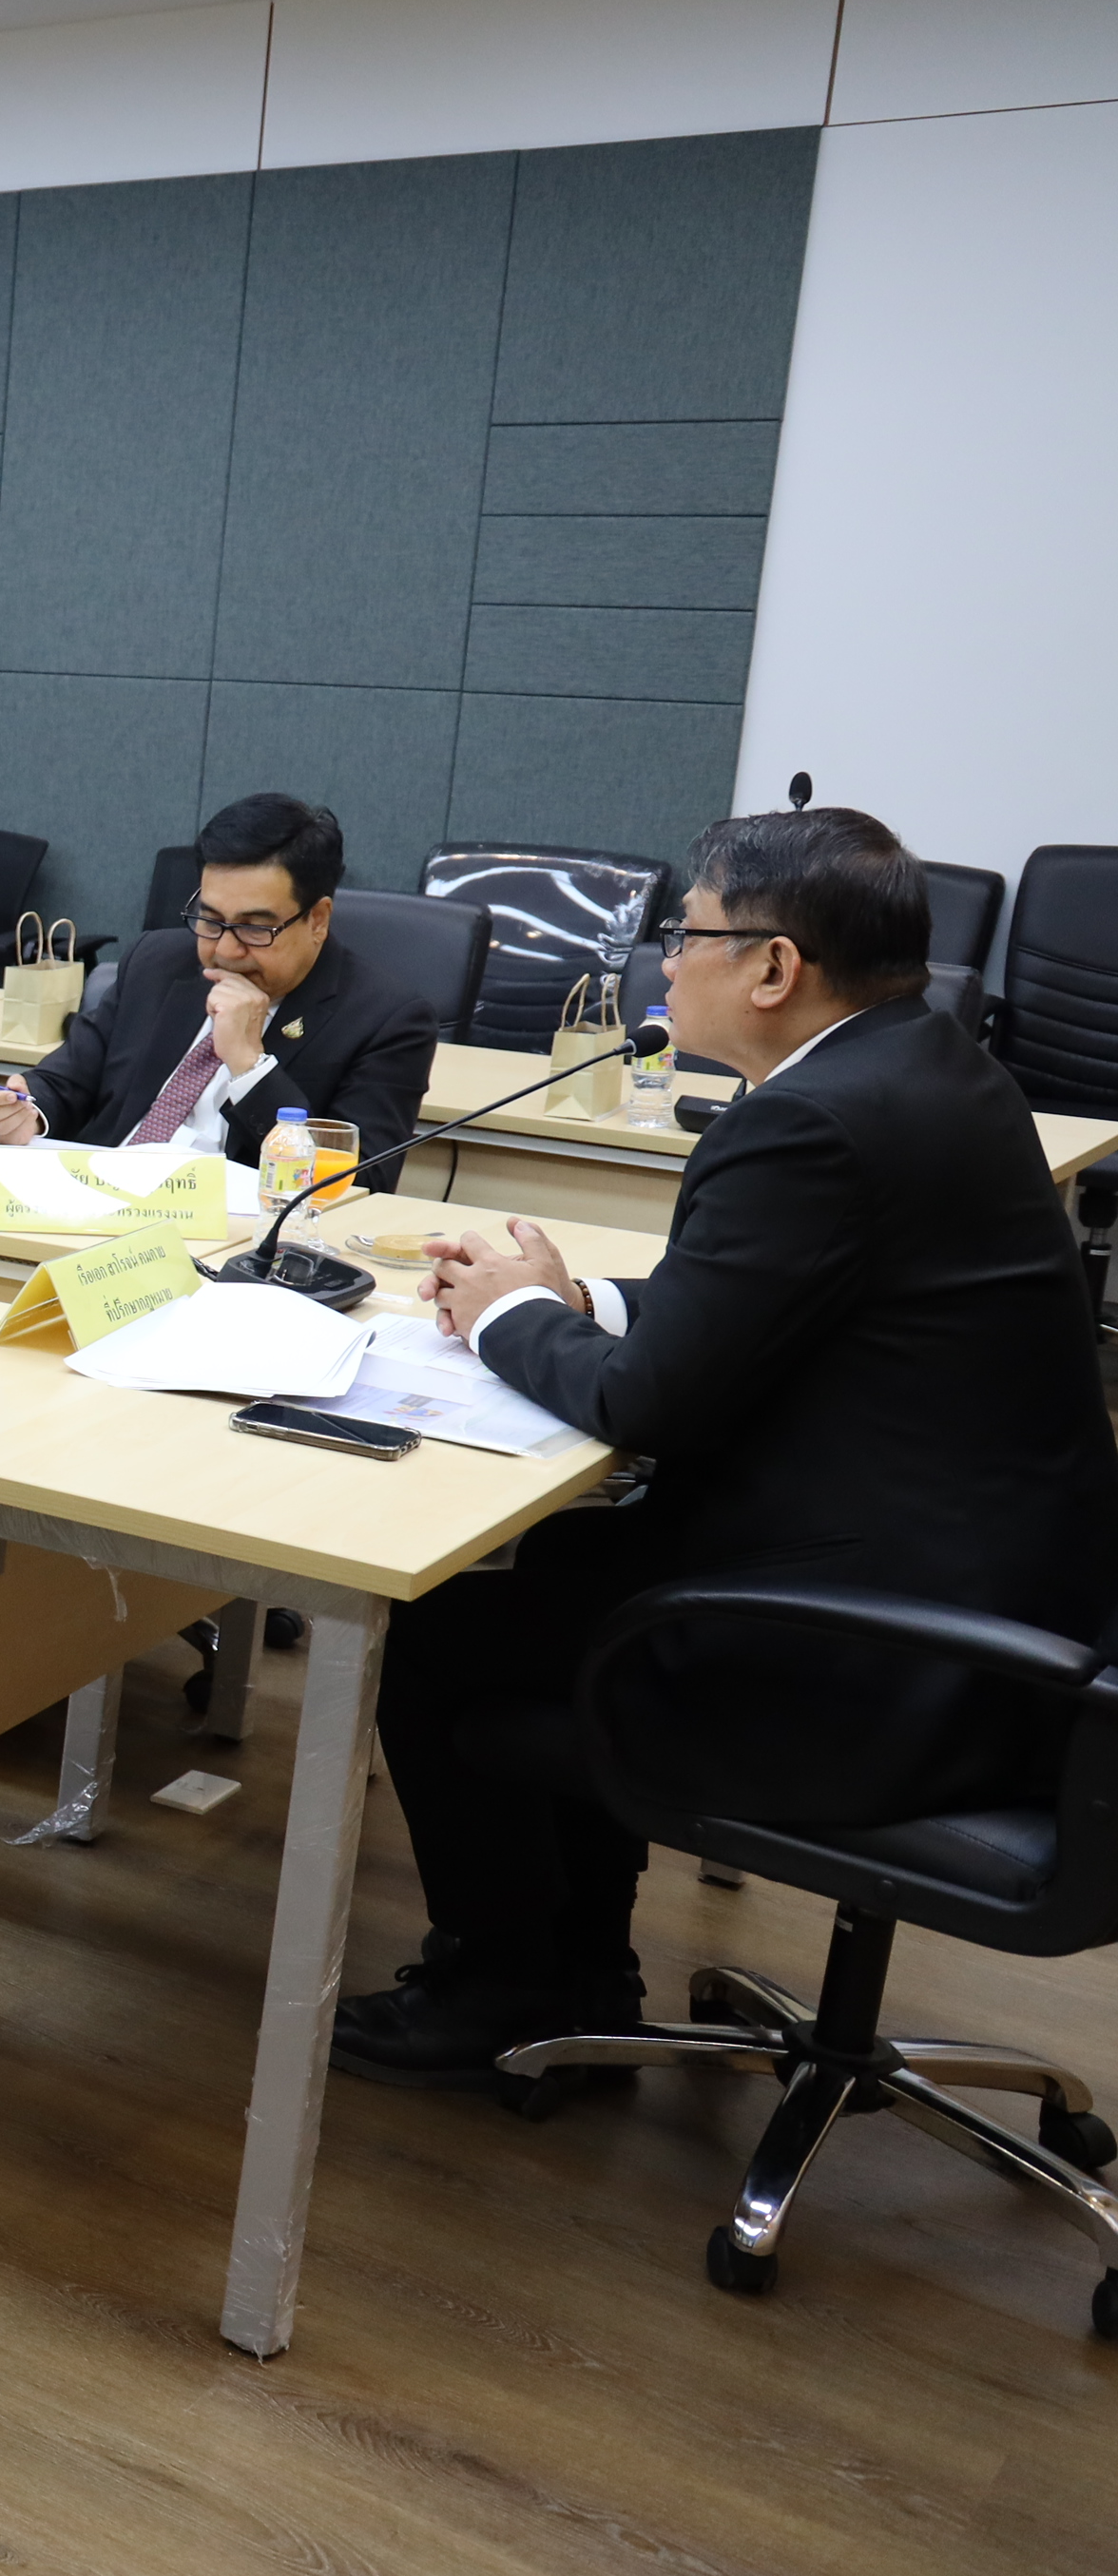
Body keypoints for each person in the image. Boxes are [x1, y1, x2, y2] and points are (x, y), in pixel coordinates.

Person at [335, 807, 1118, 2084]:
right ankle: (578, 1969)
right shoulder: (927, 1066)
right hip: (1007, 1606)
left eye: (686, 933)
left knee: (443, 1622)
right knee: (553, 1578)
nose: (663, 959)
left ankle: (505, 1982)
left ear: (774, 967)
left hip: (887, 1661)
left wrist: (510, 1318)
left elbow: (648, 1406)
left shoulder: (807, 1123)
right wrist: (579, 1302)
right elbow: (769, 1307)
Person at [0, 792, 436, 1176]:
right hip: (97, 1197)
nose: (225, 951)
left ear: (317, 919)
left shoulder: (387, 1020)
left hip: (232, 1235)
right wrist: (24, 1111)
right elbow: (65, 1080)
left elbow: (360, 1182)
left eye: (255, 928)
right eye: (210, 920)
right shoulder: (157, 962)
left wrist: (250, 1065)